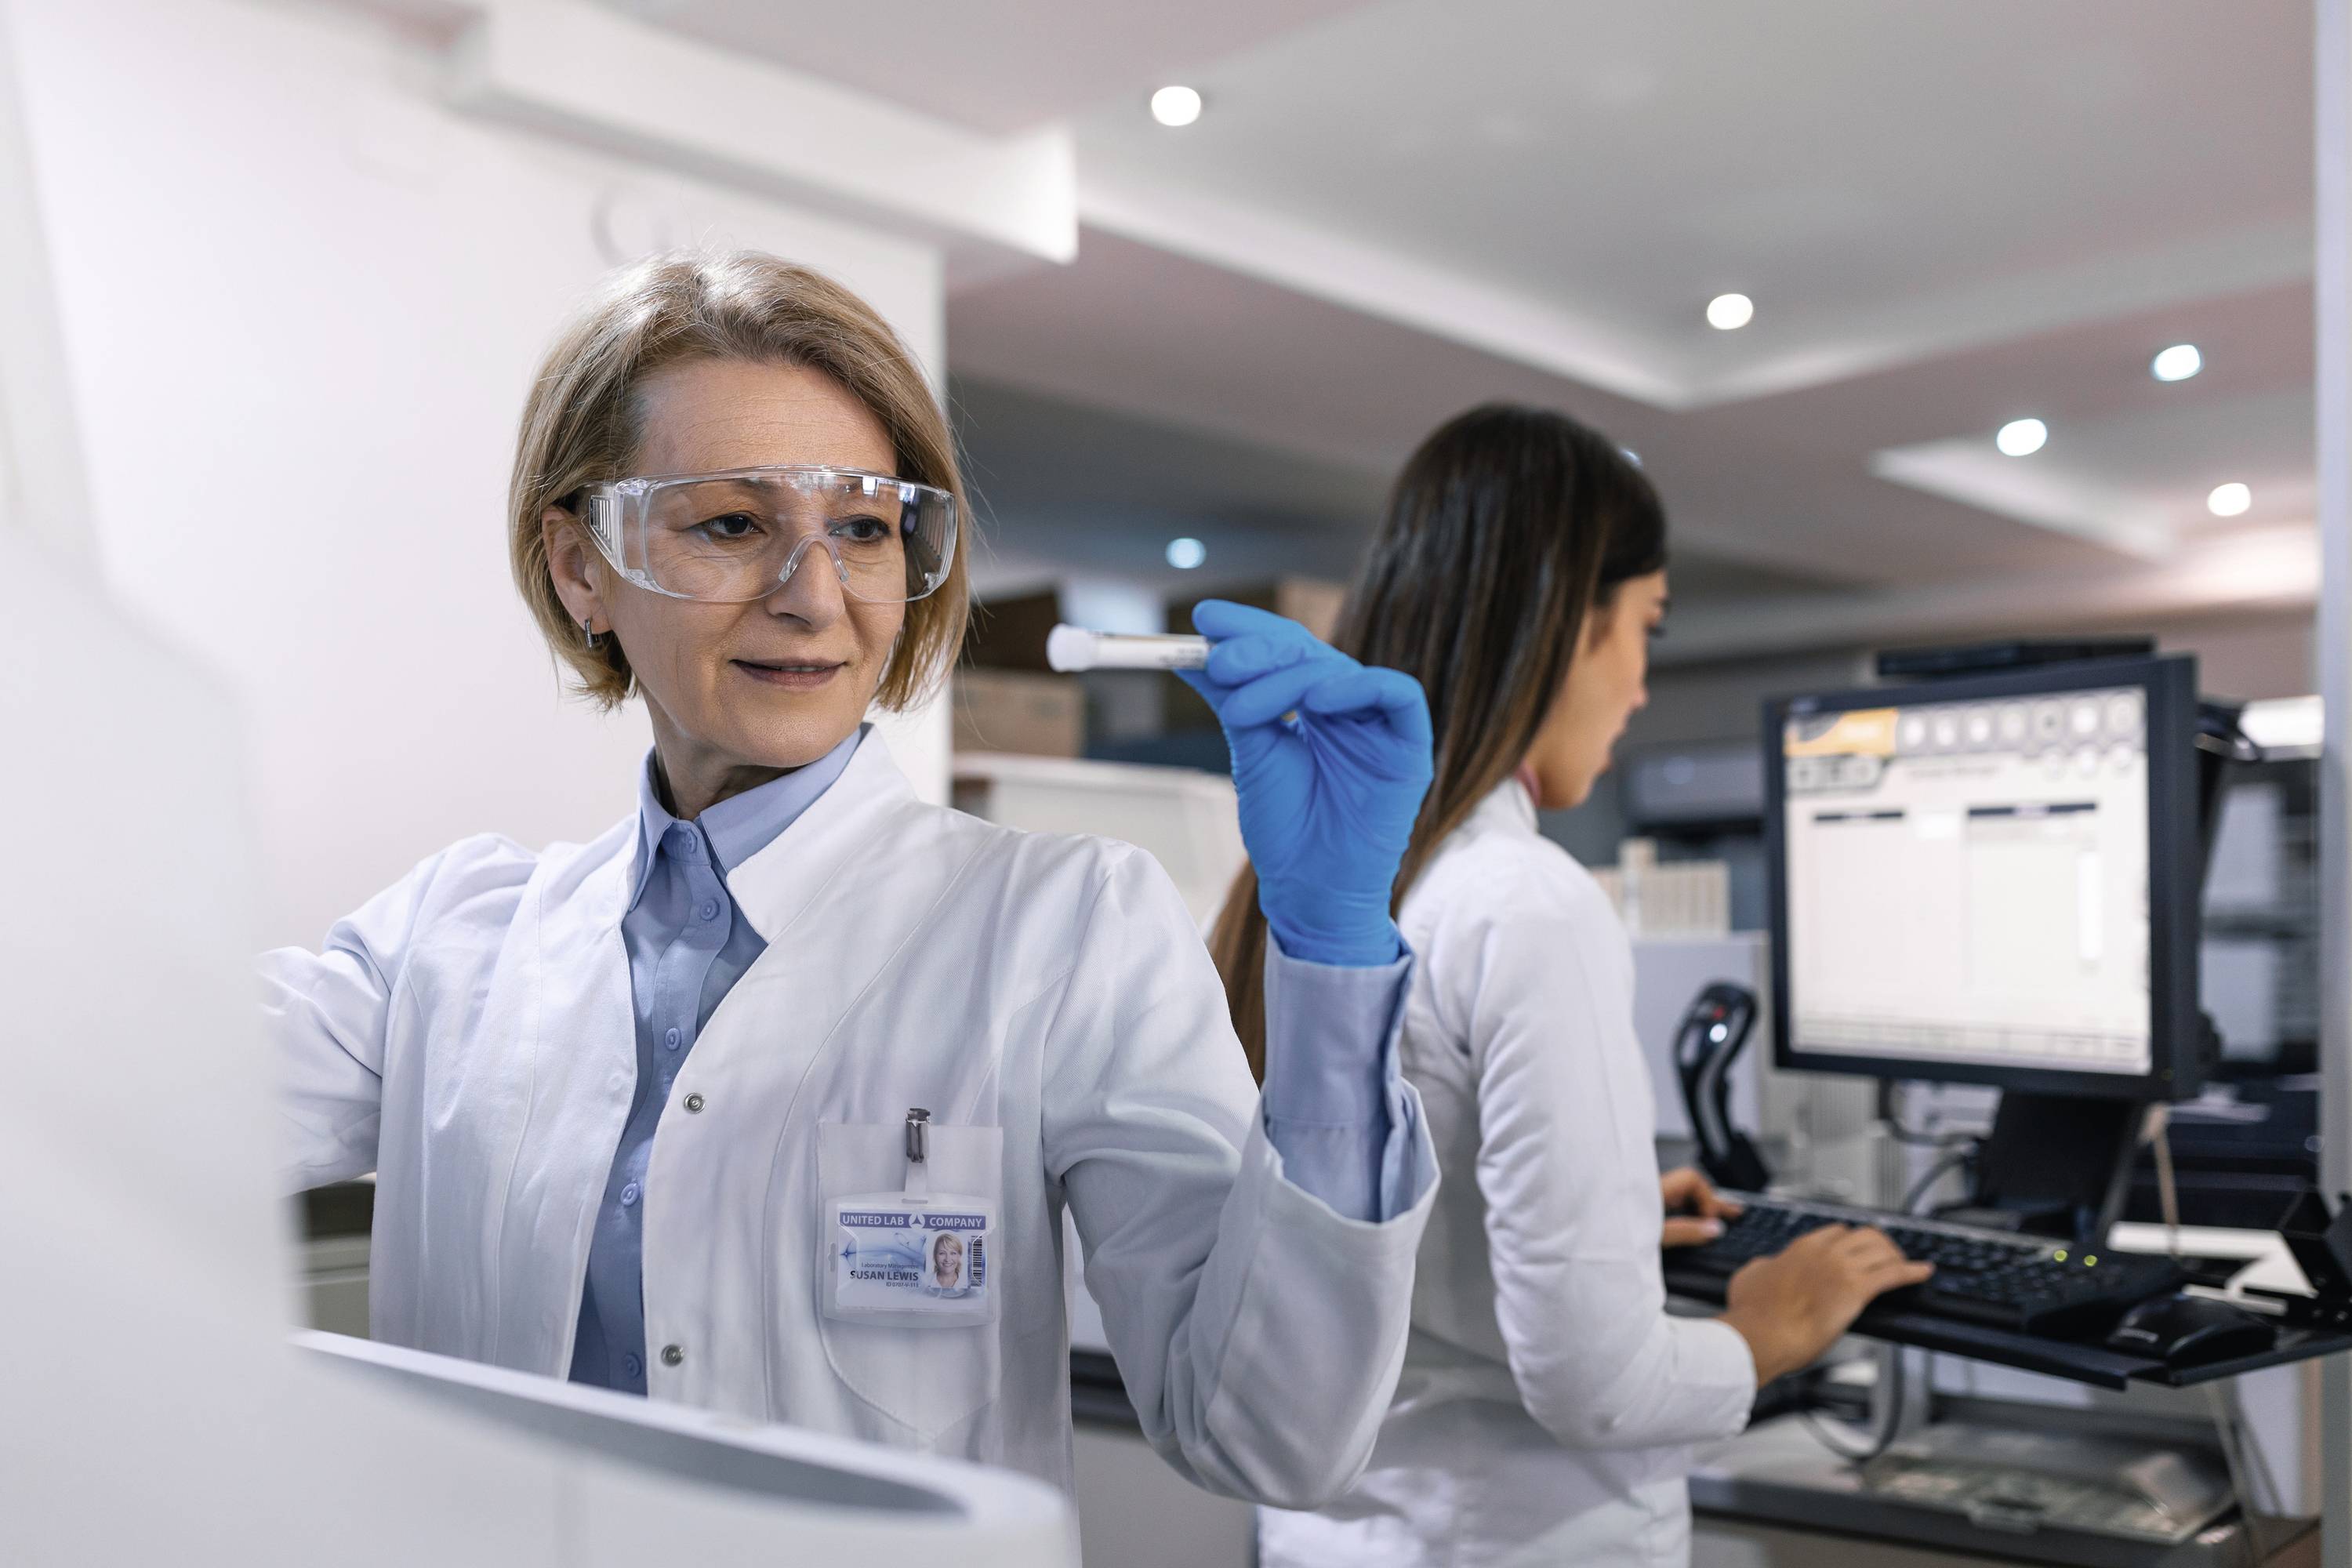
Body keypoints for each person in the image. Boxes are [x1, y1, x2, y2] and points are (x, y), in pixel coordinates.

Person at [263, 251, 1442, 1504]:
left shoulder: (1065, 927)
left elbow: (1270, 1437)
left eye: (866, 530)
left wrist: (1333, 956)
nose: (814, 597)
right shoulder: (448, 943)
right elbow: (113, 1088)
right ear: (580, 566)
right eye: (732, 524)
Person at [1211, 405, 1933, 1565]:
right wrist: (1769, 1332)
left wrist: (1605, 1221)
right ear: (1564, 623)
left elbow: (1366, 1240)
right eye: (1643, 627)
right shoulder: (1527, 902)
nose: (1643, 683)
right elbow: (1594, 1384)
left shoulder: (1300, 888)